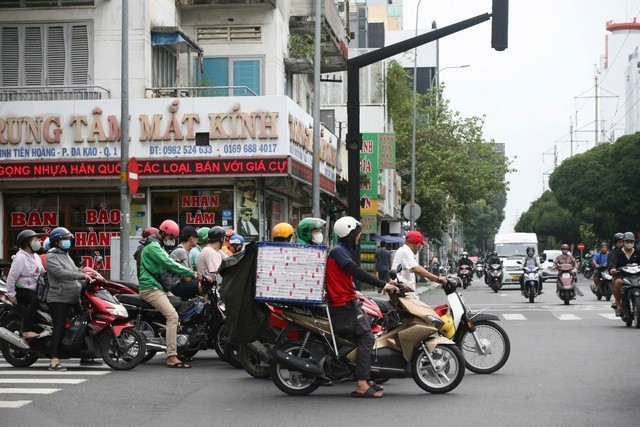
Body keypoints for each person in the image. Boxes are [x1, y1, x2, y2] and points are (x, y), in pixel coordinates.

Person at [325, 216, 399, 398]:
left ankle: (365, 378)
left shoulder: (341, 251)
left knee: (368, 330)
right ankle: (361, 384)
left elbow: (344, 278)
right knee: (366, 338)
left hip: (347, 300)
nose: (359, 238)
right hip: (343, 305)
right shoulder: (339, 252)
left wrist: (356, 292)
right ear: (350, 235)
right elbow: (356, 272)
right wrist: (383, 284)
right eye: (357, 235)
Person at [138, 220, 198, 368]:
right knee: (172, 316)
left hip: (159, 287)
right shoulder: (153, 247)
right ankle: (171, 356)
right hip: (151, 288)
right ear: (164, 232)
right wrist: (194, 274)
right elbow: (169, 264)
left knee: (181, 306)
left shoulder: (158, 246)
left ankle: (179, 343)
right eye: (171, 236)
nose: (171, 240)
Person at [45, 227, 92, 371]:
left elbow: (74, 270)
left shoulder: (65, 255)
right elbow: (61, 273)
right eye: (65, 239)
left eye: (68, 239)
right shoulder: (51, 256)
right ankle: (54, 361)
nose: (68, 241)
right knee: (59, 327)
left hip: (73, 296)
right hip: (58, 298)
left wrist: (88, 273)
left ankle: (85, 356)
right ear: (57, 241)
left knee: (84, 323)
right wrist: (81, 276)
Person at [5, 230, 44, 340]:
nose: (38, 242)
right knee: (34, 300)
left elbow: (41, 270)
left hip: (35, 287)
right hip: (22, 289)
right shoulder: (20, 258)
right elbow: (11, 278)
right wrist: (12, 296)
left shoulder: (35, 256)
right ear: (27, 243)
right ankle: (26, 330)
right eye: (35, 240)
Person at [392, 231, 450, 299]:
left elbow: (418, 267)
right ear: (418, 245)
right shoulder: (405, 252)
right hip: (404, 296)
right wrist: (437, 279)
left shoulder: (404, 251)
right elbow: (417, 269)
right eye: (421, 245)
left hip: (406, 294)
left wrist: (434, 278)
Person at [610, 232, 640, 317]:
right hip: (622, 275)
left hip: (637, 275)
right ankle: (618, 304)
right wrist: (613, 269)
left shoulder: (637, 252)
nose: (629, 243)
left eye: (631, 241)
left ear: (634, 242)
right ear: (624, 242)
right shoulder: (617, 252)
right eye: (627, 241)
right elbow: (612, 262)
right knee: (618, 282)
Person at [169, 226, 202, 299]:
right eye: (196, 237)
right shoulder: (181, 251)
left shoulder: (184, 251)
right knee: (202, 286)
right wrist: (195, 276)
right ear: (191, 238)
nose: (197, 240)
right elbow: (186, 278)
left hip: (177, 284)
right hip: (174, 286)